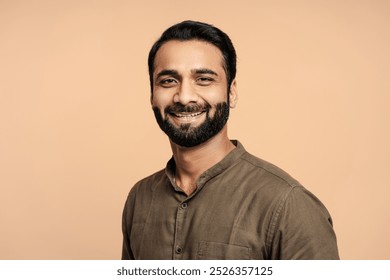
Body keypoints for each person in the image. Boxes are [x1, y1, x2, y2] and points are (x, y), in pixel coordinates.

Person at [121, 20, 339, 260]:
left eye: (203, 79)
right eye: (168, 81)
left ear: (231, 92)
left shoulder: (289, 205)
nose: (184, 97)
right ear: (152, 94)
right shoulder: (139, 199)